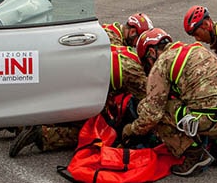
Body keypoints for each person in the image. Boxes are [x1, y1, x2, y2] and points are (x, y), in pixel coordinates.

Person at [121, 28, 217, 176]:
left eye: (146, 62)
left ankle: (194, 154)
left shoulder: (162, 63)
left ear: (151, 53)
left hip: (212, 119)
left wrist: (130, 130)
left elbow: (151, 115)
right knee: (210, 98)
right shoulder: (197, 49)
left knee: (157, 111)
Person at [8, 43, 149, 157]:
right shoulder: (137, 73)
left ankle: (14, 124)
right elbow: (150, 106)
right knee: (91, 130)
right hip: (82, 86)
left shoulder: (127, 52)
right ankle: (43, 135)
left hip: (73, 74)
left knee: (63, 111)